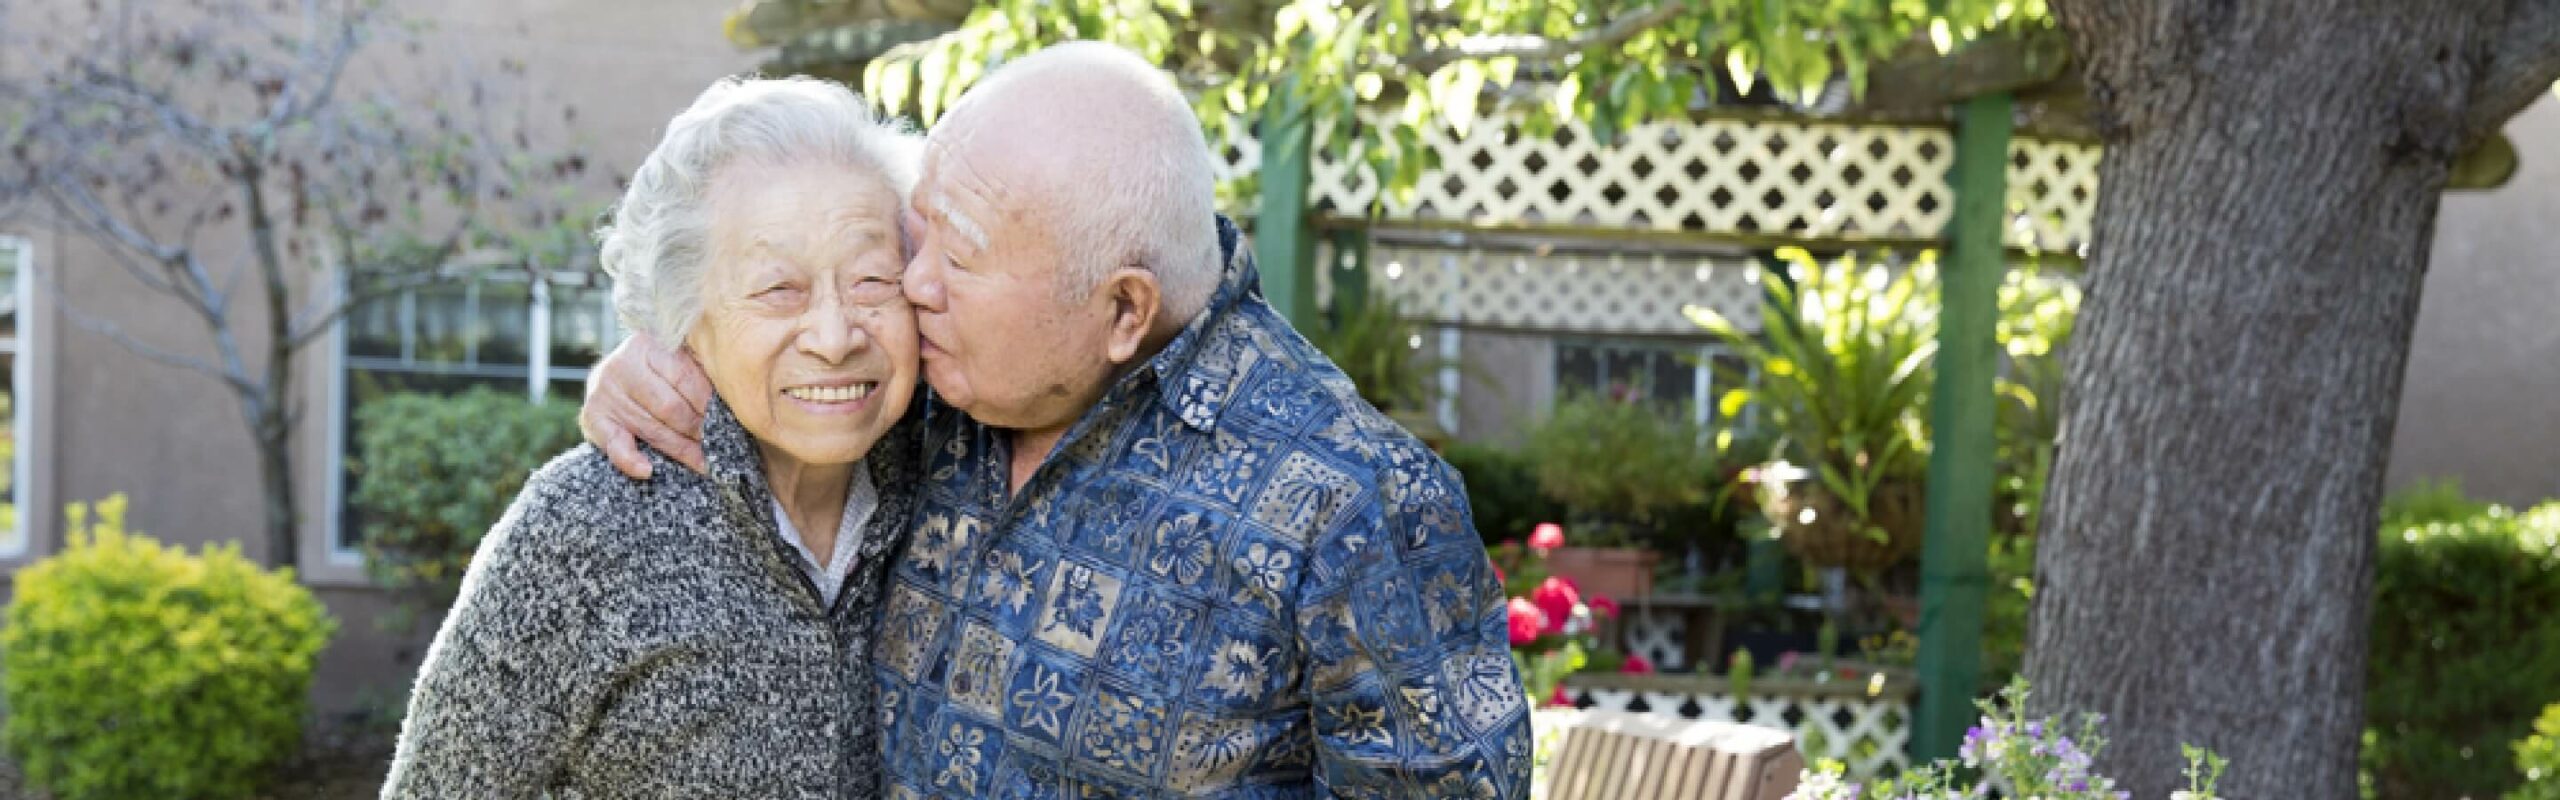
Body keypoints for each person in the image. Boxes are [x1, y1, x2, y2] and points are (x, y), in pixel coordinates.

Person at [582, 43, 1533, 797]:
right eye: (922, 234)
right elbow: (772, 311)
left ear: (1122, 311)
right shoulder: (936, 383)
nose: (912, 285)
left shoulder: (1355, 508)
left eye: (960, 256)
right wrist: (657, 353)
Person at [382, 76, 925, 798]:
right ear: (680, 318)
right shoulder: (582, 531)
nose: (833, 336)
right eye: (777, 290)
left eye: (872, 280)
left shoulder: (957, 476)